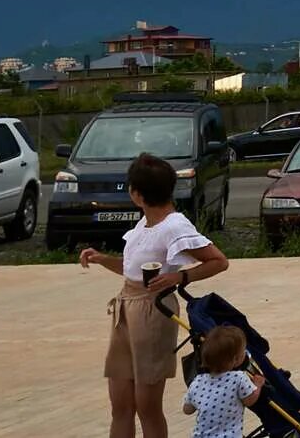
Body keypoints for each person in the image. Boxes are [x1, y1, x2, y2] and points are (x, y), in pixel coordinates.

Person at [79, 153, 231, 438]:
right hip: (126, 308)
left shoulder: (174, 226)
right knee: (121, 403)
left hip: (153, 312)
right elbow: (132, 269)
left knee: (147, 405)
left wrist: (180, 276)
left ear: (137, 194)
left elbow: (218, 261)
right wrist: (102, 259)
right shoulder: (143, 226)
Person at [182, 325, 264, 438]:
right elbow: (249, 400)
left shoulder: (198, 381)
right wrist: (258, 385)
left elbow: (187, 409)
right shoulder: (238, 378)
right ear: (235, 360)